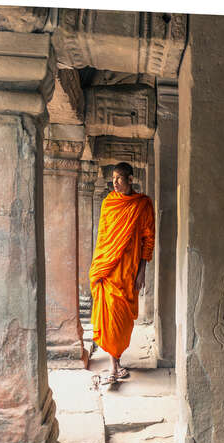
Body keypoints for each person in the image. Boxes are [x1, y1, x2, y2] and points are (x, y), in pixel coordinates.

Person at [89, 162, 155, 384]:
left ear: (130, 179)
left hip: (128, 271)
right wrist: (99, 264)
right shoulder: (109, 203)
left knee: (122, 320)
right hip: (108, 270)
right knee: (109, 317)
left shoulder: (143, 204)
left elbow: (148, 239)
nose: (115, 183)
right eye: (113, 178)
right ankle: (113, 365)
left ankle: (116, 363)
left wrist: (142, 271)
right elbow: (103, 237)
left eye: (120, 178)